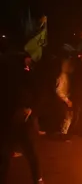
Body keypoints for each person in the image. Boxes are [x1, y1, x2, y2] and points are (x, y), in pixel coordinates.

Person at [1, 56, 43, 184]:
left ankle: (38, 178)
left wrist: (31, 109)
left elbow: (38, 95)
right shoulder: (9, 77)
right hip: (10, 119)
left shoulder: (29, 75)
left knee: (31, 152)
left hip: (25, 120)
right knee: (5, 154)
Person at [56, 59, 73, 139]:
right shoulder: (63, 76)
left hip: (66, 99)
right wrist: (67, 100)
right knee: (66, 117)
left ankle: (64, 134)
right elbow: (59, 91)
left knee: (68, 117)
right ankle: (63, 134)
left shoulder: (67, 75)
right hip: (63, 100)